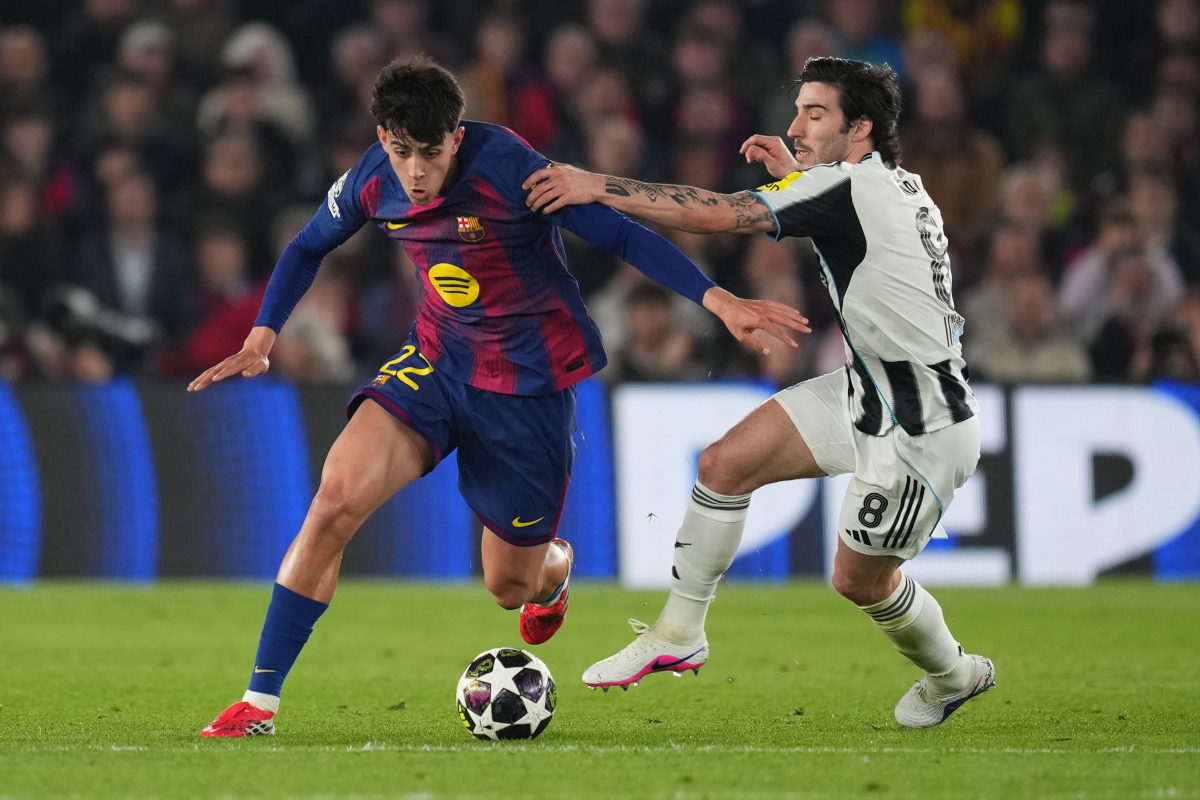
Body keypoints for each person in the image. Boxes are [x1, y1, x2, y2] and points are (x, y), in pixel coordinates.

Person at [190, 57, 807, 738]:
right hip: (435, 361)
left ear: (456, 138)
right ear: (382, 137)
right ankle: (260, 702)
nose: (415, 171)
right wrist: (262, 336)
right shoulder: (371, 178)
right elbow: (308, 246)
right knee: (334, 501)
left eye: (429, 153)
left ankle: (555, 568)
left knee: (508, 586)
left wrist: (718, 300)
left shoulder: (513, 169)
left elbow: (619, 232)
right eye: (401, 152)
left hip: (527, 389)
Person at [525, 56, 994, 728]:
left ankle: (954, 673)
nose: (796, 124)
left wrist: (591, 183)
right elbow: (852, 224)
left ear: (859, 127)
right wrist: (798, 177)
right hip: (869, 391)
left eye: (816, 113)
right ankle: (679, 632)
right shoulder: (893, 185)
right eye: (798, 108)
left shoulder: (845, 189)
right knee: (723, 464)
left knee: (859, 581)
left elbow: (719, 213)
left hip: (921, 426)